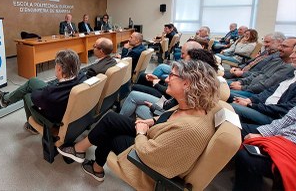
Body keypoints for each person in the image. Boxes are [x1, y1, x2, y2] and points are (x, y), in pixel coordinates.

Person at [57, 60, 220, 186]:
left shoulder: (189, 128)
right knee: (111, 119)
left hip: (148, 152)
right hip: (154, 133)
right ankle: (84, 156)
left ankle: (89, 162)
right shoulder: (192, 105)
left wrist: (141, 133)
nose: (167, 79)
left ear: (187, 83)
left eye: (172, 75)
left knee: (111, 133)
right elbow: (170, 118)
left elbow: (150, 155)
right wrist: (152, 120)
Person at [0, 49, 86, 134]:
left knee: (26, 94)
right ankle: (5, 99)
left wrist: (46, 90)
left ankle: (32, 127)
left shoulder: (50, 93)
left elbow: (35, 97)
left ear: (59, 69)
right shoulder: (82, 77)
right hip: (64, 98)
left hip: (52, 119)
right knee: (32, 82)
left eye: (55, 65)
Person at [120, 48, 220, 120]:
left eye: (185, 60)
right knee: (138, 99)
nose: (181, 59)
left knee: (135, 97)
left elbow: (171, 113)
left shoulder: (192, 93)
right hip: (166, 106)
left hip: (164, 109)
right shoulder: (200, 86)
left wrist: (157, 86)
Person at [231, 44, 296, 138]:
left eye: (295, 53)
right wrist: (250, 100)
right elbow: (270, 91)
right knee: (231, 107)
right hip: (264, 106)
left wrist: (251, 105)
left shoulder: (288, 68)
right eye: (293, 52)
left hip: (274, 116)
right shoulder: (292, 73)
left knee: (232, 107)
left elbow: (285, 109)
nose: (292, 56)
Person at [233, 106, 296, 191]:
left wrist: (253, 103)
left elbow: (282, 108)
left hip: (287, 143)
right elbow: (285, 121)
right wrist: (262, 134)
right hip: (281, 139)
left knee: (247, 158)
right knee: (233, 126)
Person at [229, 38, 296, 98]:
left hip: (255, 94)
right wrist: (241, 82)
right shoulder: (278, 60)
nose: (279, 48)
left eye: (284, 46)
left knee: (224, 92)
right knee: (222, 84)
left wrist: (242, 87)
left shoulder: (289, 68)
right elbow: (259, 73)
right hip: (248, 86)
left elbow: (265, 86)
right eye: (281, 45)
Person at [133, 41, 203, 98]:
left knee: (135, 87)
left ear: (192, 54)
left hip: (167, 96)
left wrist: (157, 84)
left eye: (183, 54)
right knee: (143, 76)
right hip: (166, 88)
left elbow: (172, 93)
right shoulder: (192, 67)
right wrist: (158, 80)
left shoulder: (192, 73)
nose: (181, 56)